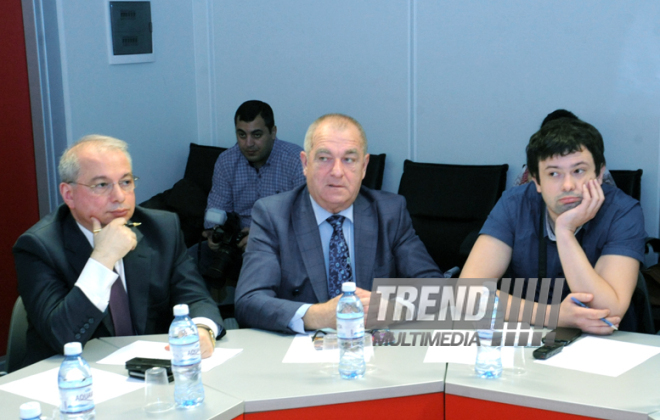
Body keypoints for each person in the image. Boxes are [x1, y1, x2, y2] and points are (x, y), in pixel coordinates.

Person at [13, 135, 224, 369]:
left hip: (149, 377)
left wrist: (203, 329)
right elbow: (62, 336)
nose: (119, 197)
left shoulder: (161, 229)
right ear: (68, 194)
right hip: (71, 381)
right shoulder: (38, 247)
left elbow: (196, 297)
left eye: (125, 182)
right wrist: (103, 259)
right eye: (102, 185)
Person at [234, 114, 443, 333]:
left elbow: (436, 289)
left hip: (375, 350)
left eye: (349, 160)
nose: (336, 171)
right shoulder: (273, 215)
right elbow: (249, 301)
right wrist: (318, 315)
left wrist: (393, 310)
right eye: (324, 158)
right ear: (305, 163)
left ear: (364, 167)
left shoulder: (390, 212)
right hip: (302, 354)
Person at [461, 118, 646, 334]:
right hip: (530, 339)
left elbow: (606, 313)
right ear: (536, 181)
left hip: (605, 345)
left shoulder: (623, 212)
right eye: (554, 174)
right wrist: (554, 316)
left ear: (599, 173)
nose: (568, 185)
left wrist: (564, 232)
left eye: (578, 171)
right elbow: (467, 295)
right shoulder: (515, 204)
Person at [196, 100, 305, 284]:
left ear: (273, 132)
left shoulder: (296, 161)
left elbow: (304, 220)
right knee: (187, 260)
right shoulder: (226, 161)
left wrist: (262, 236)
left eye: (256, 135)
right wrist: (215, 232)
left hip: (277, 243)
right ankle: (206, 311)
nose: (248, 143)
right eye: (241, 135)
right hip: (235, 242)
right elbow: (216, 209)